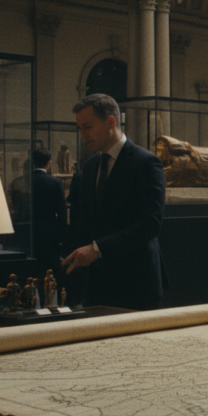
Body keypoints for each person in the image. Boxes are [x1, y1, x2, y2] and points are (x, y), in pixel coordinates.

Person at [62, 94, 168, 311]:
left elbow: (150, 224)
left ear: (110, 122)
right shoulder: (90, 166)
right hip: (96, 284)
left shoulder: (146, 163)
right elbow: (87, 221)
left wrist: (97, 249)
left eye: (88, 127)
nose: (83, 135)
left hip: (136, 282)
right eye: (80, 128)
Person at [30, 148, 68, 280]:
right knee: (50, 274)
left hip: (28, 234)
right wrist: (61, 238)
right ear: (49, 163)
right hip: (49, 235)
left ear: (33, 162)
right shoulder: (55, 182)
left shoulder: (22, 181)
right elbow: (62, 212)